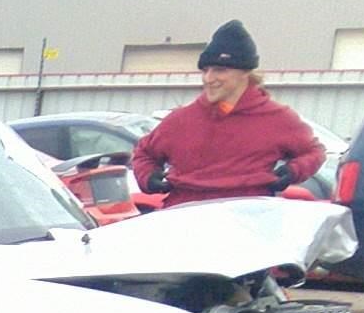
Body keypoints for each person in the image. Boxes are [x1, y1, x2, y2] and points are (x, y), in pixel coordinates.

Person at [129, 20, 325, 206]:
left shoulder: (277, 119)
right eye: (205, 70)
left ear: (245, 72)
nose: (208, 78)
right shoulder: (180, 120)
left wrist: (293, 171)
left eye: (219, 70)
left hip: (248, 224)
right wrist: (148, 176)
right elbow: (144, 153)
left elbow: (314, 152)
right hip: (186, 224)